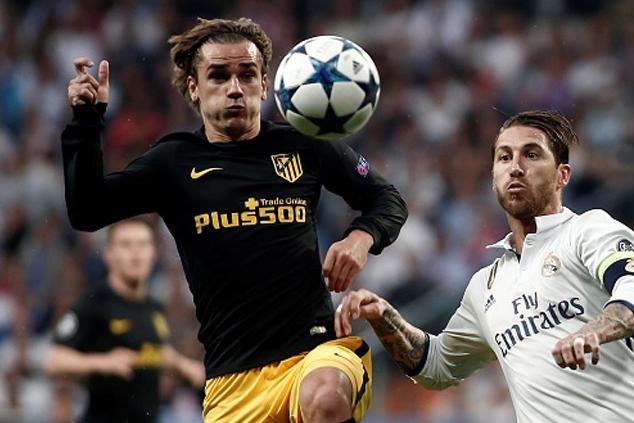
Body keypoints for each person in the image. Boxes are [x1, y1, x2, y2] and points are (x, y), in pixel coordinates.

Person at [61, 17, 407, 423]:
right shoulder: (173, 162)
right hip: (232, 382)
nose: (234, 88)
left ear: (265, 83)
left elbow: (387, 199)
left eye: (247, 74)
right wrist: (86, 122)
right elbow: (87, 211)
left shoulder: (302, 144)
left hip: (312, 354)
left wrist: (360, 238)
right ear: (194, 87)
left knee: (327, 398)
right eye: (219, 76)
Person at [336, 110, 634, 422]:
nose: (516, 167)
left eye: (532, 154)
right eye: (504, 157)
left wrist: (594, 332)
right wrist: (384, 315)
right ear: (493, 175)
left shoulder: (589, 230)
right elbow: (437, 366)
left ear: (562, 175)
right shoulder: (485, 286)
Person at [45, 218, 205, 423]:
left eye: (143, 244)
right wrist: (102, 362)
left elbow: (152, 352)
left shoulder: (154, 308)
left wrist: (183, 366)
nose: (136, 253)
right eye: (126, 245)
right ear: (109, 255)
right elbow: (54, 360)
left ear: (153, 253)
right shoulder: (94, 303)